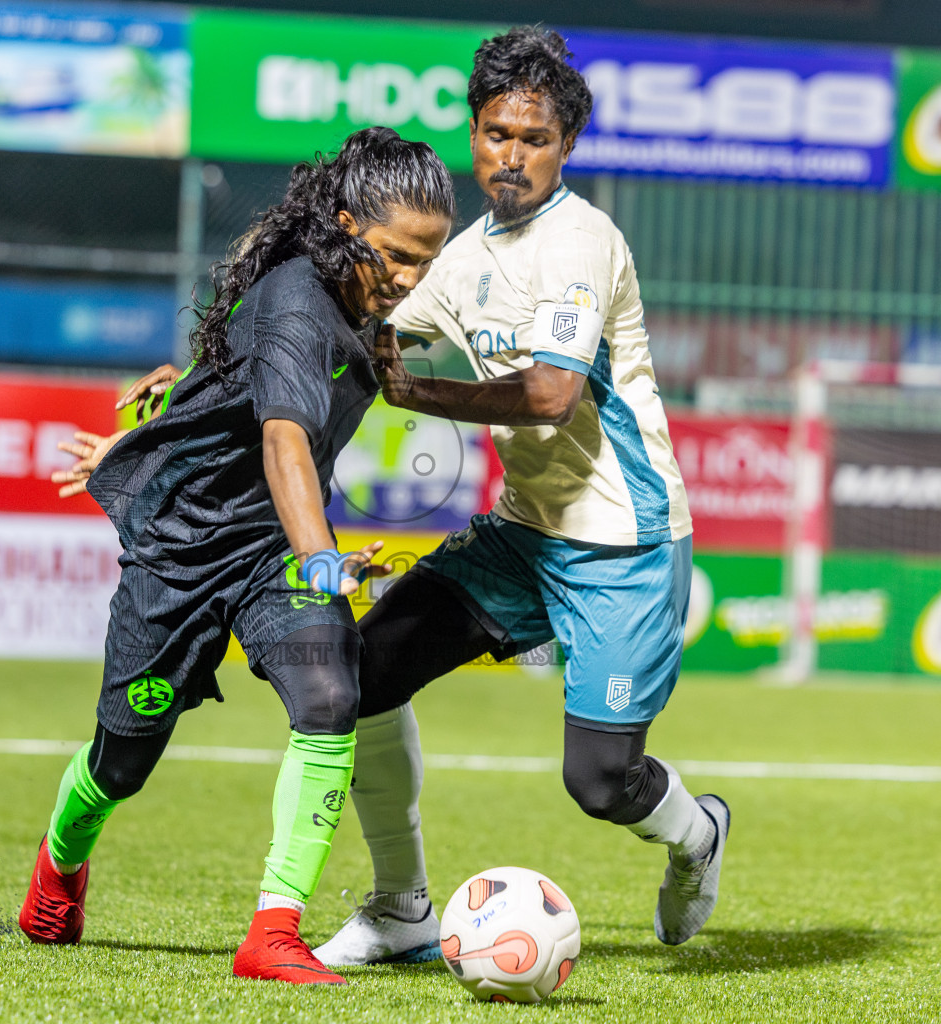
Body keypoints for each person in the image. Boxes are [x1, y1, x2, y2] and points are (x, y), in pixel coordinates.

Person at [308, 27, 726, 965]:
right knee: (362, 680)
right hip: (523, 537)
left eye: (534, 139)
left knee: (600, 782)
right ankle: (402, 907)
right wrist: (250, 348)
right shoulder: (463, 254)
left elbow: (549, 397)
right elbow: (368, 326)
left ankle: (698, 835)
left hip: (622, 543)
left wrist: (417, 391)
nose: (512, 154)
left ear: (564, 145)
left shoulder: (580, 243)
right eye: (497, 133)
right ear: (474, 132)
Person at [17, 127, 455, 986]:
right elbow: (285, 443)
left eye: (426, 260)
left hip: (270, 557)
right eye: (397, 258)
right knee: (122, 761)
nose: (409, 279)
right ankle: (62, 857)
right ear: (344, 224)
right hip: (181, 552)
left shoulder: (362, 298)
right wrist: (323, 562)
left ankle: (274, 930)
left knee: (332, 694)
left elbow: (239, 369)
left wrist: (181, 391)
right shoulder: (301, 299)